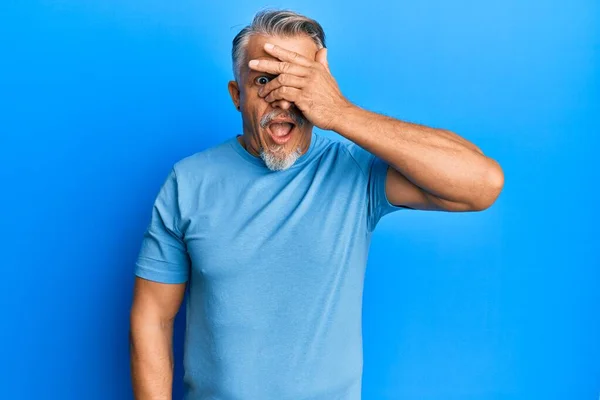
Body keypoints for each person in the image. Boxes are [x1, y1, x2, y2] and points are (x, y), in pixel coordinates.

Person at [129, 8, 504, 400]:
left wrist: (339, 111)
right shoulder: (188, 182)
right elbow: (152, 318)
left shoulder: (355, 172)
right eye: (264, 80)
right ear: (237, 95)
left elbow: (482, 184)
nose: (284, 99)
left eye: (299, 82)